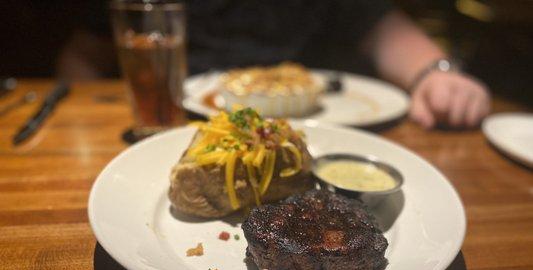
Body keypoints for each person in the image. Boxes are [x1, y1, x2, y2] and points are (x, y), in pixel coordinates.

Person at [57, 0, 490, 129]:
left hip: (310, 128)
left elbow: (382, 28)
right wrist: (84, 119)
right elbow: (82, 55)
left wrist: (438, 73)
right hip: (174, 120)